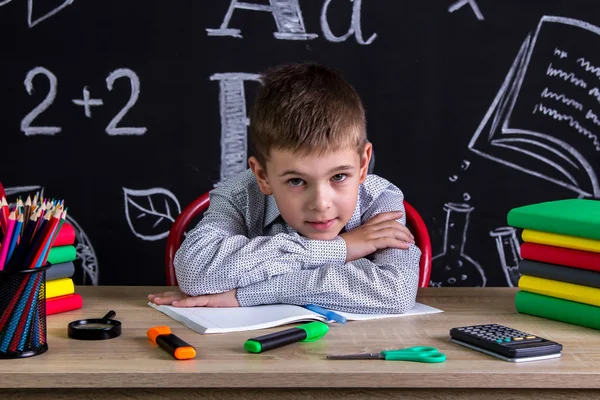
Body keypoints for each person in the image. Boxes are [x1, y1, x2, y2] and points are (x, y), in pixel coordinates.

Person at [149, 63, 421, 313]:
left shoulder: (380, 200)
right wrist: (341, 249)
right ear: (263, 175)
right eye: (296, 181)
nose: (321, 203)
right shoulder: (237, 196)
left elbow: (396, 292)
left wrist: (246, 295)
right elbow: (195, 271)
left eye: (338, 176)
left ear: (362, 165)